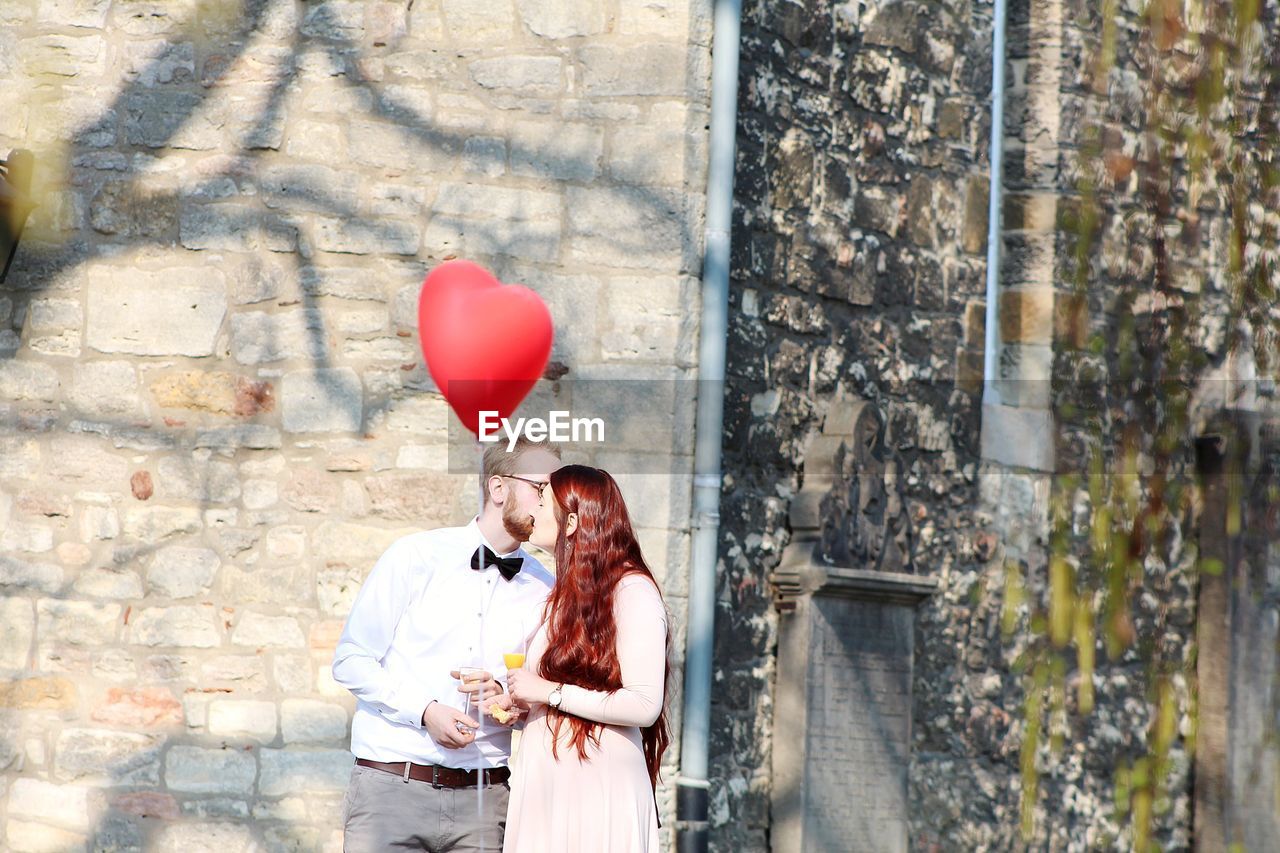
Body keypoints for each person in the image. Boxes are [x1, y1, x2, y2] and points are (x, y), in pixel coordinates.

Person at [332, 437, 562, 853]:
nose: (551, 503)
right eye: (540, 488)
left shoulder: (546, 588)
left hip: (485, 799)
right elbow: (351, 660)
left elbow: (537, 694)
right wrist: (425, 712)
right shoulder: (415, 556)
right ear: (498, 489)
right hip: (392, 789)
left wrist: (509, 701)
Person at [497, 464, 672, 853]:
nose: (532, 512)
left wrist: (550, 692)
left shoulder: (630, 591)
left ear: (572, 520)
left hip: (595, 782)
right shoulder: (563, 595)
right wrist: (520, 704)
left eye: (542, 502)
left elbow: (644, 704)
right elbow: (566, 689)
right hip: (548, 782)